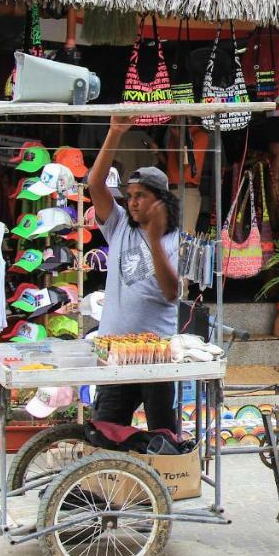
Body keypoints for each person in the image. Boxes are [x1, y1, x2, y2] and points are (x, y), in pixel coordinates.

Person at [87, 116, 182, 432]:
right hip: (114, 349)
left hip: (156, 354)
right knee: (107, 431)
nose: (133, 202)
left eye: (141, 196)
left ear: (161, 200)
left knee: (163, 435)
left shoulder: (175, 241)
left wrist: (154, 240)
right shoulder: (117, 226)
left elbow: (172, 292)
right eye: (129, 196)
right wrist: (114, 131)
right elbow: (95, 184)